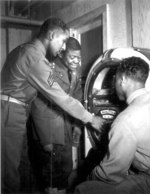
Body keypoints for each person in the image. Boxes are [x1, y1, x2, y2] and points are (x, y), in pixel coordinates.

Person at [1, 17, 104, 194]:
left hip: (14, 109)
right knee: (10, 172)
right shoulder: (35, 59)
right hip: (10, 111)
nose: (63, 47)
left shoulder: (24, 50)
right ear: (51, 35)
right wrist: (91, 119)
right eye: (62, 41)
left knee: (18, 167)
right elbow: (61, 98)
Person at [74, 56, 150, 194]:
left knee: (83, 189)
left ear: (123, 80)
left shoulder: (125, 121)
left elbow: (110, 175)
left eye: (114, 79)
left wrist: (89, 178)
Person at [28, 37, 83, 193]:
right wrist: (45, 139)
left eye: (78, 57)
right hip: (49, 131)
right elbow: (37, 104)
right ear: (61, 53)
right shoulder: (48, 71)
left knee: (65, 170)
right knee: (50, 174)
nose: (76, 61)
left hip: (65, 128)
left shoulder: (74, 73)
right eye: (72, 57)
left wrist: (77, 126)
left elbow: (76, 100)